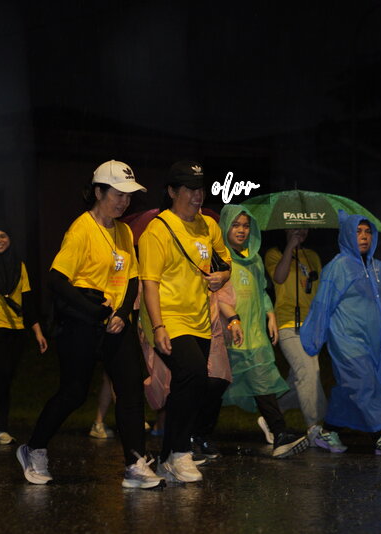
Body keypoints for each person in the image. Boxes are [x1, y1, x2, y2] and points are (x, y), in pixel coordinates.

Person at [17, 160, 161, 489]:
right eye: (118, 194)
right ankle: (33, 448)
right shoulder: (81, 229)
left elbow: (133, 278)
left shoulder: (124, 231)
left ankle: (135, 464)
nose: (124, 201)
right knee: (73, 393)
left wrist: (122, 314)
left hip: (116, 323)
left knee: (130, 391)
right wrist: (96, 313)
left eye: (129, 195)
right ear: (98, 192)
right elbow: (56, 279)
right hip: (81, 323)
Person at [139, 160, 231, 482]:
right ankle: (179, 452)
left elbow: (225, 260)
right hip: (167, 317)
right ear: (172, 191)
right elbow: (149, 283)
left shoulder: (208, 226)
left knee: (193, 383)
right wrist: (158, 326)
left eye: (200, 189)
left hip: (199, 318)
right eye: (189, 189)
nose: (197, 195)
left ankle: (168, 457)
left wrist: (222, 276)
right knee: (191, 373)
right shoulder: (158, 230)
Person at [301, 212, 381, 455]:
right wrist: (313, 338)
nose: (364, 237)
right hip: (346, 341)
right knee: (365, 383)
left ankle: (328, 430)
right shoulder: (338, 267)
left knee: (351, 389)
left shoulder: (378, 268)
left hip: (373, 342)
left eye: (367, 232)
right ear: (347, 235)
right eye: (358, 232)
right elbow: (322, 304)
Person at [219, 205, 309, 458]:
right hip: (229, 335)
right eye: (236, 225)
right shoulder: (220, 259)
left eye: (246, 226)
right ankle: (195, 437)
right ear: (225, 227)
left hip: (254, 335)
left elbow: (261, 291)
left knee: (263, 381)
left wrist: (270, 314)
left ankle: (280, 433)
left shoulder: (255, 259)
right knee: (214, 388)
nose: (241, 230)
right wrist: (231, 320)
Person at [264, 229, 341, 452]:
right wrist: (291, 247)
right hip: (288, 323)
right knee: (309, 372)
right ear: (285, 228)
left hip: (311, 325)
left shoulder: (312, 256)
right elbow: (278, 278)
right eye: (295, 226)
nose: (301, 230)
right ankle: (316, 428)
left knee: (300, 377)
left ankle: (271, 415)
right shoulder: (274, 254)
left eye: (305, 226)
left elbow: (318, 290)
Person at [0, 224, 48, 446]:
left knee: (6, 378)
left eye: (2, 236)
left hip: (16, 328)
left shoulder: (19, 265)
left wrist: (38, 332)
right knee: (1, 373)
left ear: (10, 239)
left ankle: (0, 427)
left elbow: (28, 300)